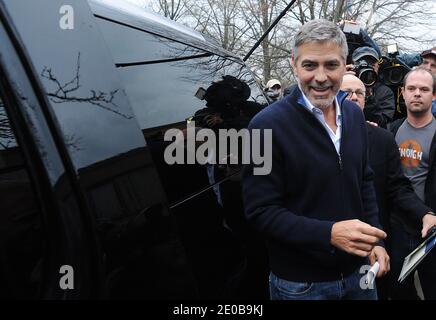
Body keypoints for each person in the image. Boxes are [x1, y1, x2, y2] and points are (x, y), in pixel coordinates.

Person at [242, 19, 389, 300]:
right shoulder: (263, 127)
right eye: (310, 65)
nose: (321, 77)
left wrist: (376, 239)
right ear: (294, 64)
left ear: (345, 64)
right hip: (302, 286)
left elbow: (365, 181)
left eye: (331, 65)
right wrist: (328, 234)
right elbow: (260, 211)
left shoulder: (355, 115)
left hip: (360, 275)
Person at [341, 74, 435, 299]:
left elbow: (396, 186)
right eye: (346, 93)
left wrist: (425, 213)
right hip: (327, 248)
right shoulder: (392, 130)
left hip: (383, 236)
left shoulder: (381, 139)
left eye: (359, 93)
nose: (353, 98)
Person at [388, 67, 436, 300]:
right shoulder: (391, 130)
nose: (417, 93)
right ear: (403, 93)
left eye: (424, 89)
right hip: (398, 225)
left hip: (432, 227)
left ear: (434, 95)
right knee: (398, 290)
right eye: (412, 88)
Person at [351, 46, 395, 128]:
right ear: (353, 66)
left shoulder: (385, 92)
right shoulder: (344, 86)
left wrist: (369, 96)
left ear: (378, 67)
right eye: (361, 63)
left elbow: (383, 122)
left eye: (371, 64)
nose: (367, 67)